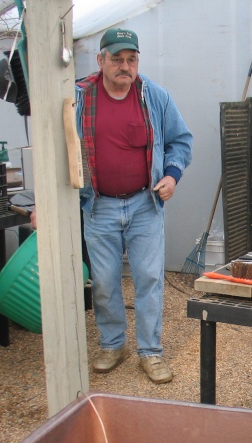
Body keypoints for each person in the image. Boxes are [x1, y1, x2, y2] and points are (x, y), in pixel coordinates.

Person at [71, 27, 192, 383]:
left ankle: (150, 353)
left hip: (144, 204)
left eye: (131, 59)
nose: (124, 66)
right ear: (101, 61)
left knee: (149, 279)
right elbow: (57, 143)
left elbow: (180, 141)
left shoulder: (153, 96)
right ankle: (112, 345)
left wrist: (171, 176)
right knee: (105, 282)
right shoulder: (80, 98)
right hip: (98, 206)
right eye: (117, 59)